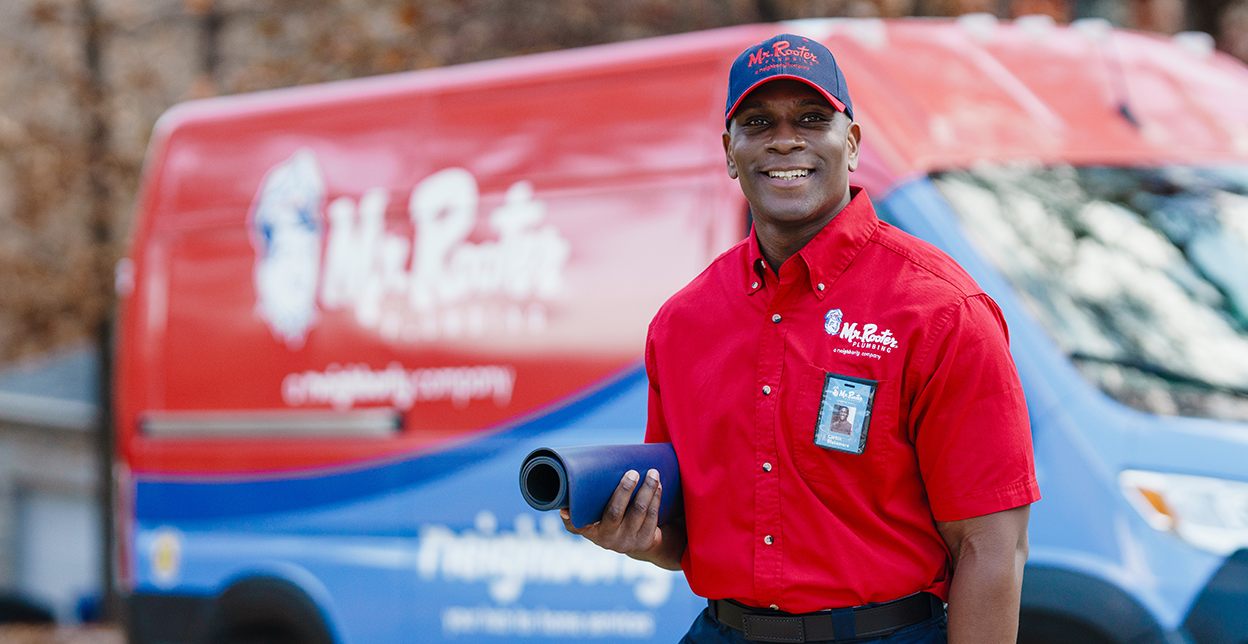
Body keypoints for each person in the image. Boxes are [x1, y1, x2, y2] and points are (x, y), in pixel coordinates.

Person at [562, 33, 1040, 644]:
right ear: (731, 154)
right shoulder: (682, 323)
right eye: (758, 123)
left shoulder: (941, 310)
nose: (785, 139)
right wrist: (642, 536)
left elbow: (992, 545)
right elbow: (683, 532)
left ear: (853, 143)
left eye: (812, 119)